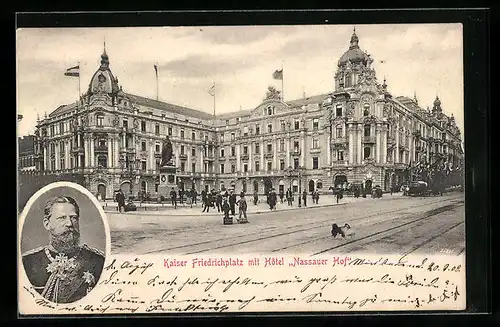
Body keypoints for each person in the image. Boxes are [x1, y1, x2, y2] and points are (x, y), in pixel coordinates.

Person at [22, 196, 105, 304]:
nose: (69, 223)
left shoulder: (98, 260)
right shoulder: (28, 262)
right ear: (47, 224)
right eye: (62, 218)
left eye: (74, 218)